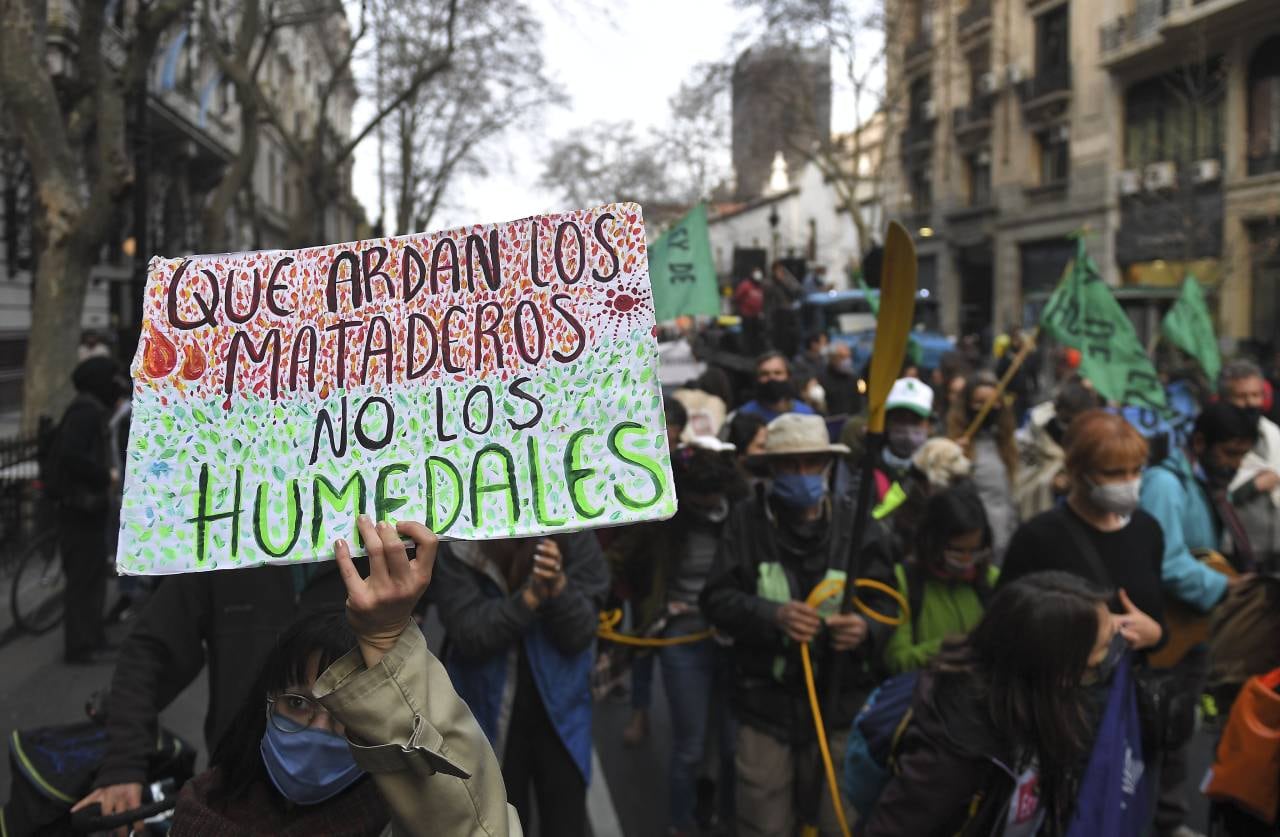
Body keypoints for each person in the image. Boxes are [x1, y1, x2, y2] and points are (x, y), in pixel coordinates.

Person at [164, 515, 521, 836]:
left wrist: (387, 641)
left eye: (344, 715)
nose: (318, 730)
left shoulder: (398, 821)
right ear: (266, 706)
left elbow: (476, 828)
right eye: (297, 703)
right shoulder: (199, 811)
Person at [701, 413, 896, 837]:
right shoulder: (745, 522)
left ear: (828, 465)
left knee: (837, 820)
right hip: (765, 708)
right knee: (763, 823)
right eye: (789, 465)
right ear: (770, 469)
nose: (802, 475)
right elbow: (716, 600)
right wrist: (773, 616)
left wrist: (865, 629)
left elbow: (887, 604)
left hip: (841, 706)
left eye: (811, 463)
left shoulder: (859, 523)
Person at [865, 571, 1129, 836]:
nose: (1114, 649)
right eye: (1105, 645)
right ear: (1060, 669)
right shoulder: (952, 753)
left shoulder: (1045, 701)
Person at [607, 439, 749, 835]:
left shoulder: (742, 520)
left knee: (731, 744)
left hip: (733, 637)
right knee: (689, 747)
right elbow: (617, 556)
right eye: (699, 497)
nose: (708, 504)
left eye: (714, 496)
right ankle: (680, 824)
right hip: (681, 640)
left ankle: (726, 817)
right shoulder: (663, 526)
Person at [431, 532, 608, 837]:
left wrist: (558, 587)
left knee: (565, 821)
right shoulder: (459, 544)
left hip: (562, 716)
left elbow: (580, 633)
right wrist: (529, 600)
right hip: (485, 717)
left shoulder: (576, 533)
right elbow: (470, 634)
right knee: (500, 825)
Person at [1140, 401, 1259, 837]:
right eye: (1228, 453)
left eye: (1241, 456)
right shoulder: (1166, 486)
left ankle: (1167, 818)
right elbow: (1165, 561)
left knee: (1180, 729)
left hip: (1195, 632)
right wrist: (1223, 586)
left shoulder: (1208, 486)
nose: (1234, 464)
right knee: (1162, 731)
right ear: (1200, 443)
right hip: (1168, 635)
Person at [1001, 410, 1166, 653]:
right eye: (1113, 473)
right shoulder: (1037, 538)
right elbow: (1008, 626)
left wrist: (1157, 635)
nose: (1129, 482)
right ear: (1077, 471)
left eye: (1136, 470)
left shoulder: (1146, 530)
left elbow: (1155, 616)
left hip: (1126, 685)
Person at [46, 356, 120, 664]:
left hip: (86, 507)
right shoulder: (86, 412)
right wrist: (105, 476)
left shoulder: (87, 409)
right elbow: (72, 456)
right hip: (80, 508)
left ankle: (93, 638)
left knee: (91, 576)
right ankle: (80, 646)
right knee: (82, 578)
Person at [883, 481, 999, 674]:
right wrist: (942, 648)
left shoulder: (991, 581)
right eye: (958, 551)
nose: (967, 560)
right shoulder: (904, 582)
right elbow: (896, 659)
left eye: (975, 551)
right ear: (933, 542)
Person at [948, 371, 1020, 561]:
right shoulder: (953, 448)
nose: (987, 409)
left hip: (1004, 545)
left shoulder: (1008, 447)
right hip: (973, 550)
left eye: (993, 403)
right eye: (979, 403)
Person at [1219, 359, 1280, 572]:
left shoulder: (1272, 433)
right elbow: (1216, 497)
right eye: (1242, 397)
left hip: (1274, 550)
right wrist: (1253, 486)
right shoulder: (1215, 441)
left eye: (1255, 395)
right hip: (1236, 553)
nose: (1250, 403)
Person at [1013, 376, 1103, 521]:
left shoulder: (1096, 440)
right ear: (1057, 412)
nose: (1072, 426)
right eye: (1068, 420)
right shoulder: (1033, 435)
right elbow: (1024, 476)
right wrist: (1051, 482)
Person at [736, 352, 816, 423]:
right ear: (756, 378)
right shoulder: (745, 415)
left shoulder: (806, 413)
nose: (772, 378)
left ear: (788, 376)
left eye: (778, 373)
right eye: (765, 374)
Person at [819, 341, 861, 418]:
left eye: (848, 357)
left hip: (853, 421)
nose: (847, 361)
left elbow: (861, 400)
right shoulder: (822, 379)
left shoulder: (854, 377)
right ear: (832, 358)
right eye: (842, 357)